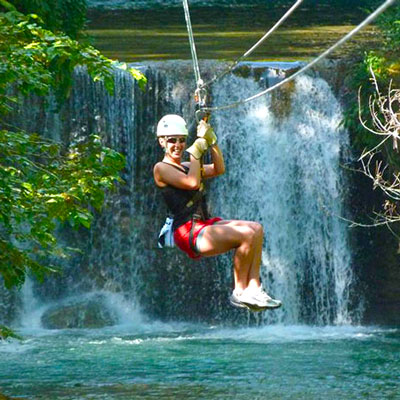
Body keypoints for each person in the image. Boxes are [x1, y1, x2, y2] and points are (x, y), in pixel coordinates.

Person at [153, 114, 282, 312]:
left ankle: (255, 288)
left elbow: (218, 169)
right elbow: (192, 183)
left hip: (202, 224)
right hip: (187, 232)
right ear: (162, 141)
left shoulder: (186, 166)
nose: (178, 145)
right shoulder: (161, 168)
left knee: (256, 229)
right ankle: (240, 292)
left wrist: (212, 142)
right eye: (172, 140)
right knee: (246, 235)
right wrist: (196, 152)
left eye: (181, 140)